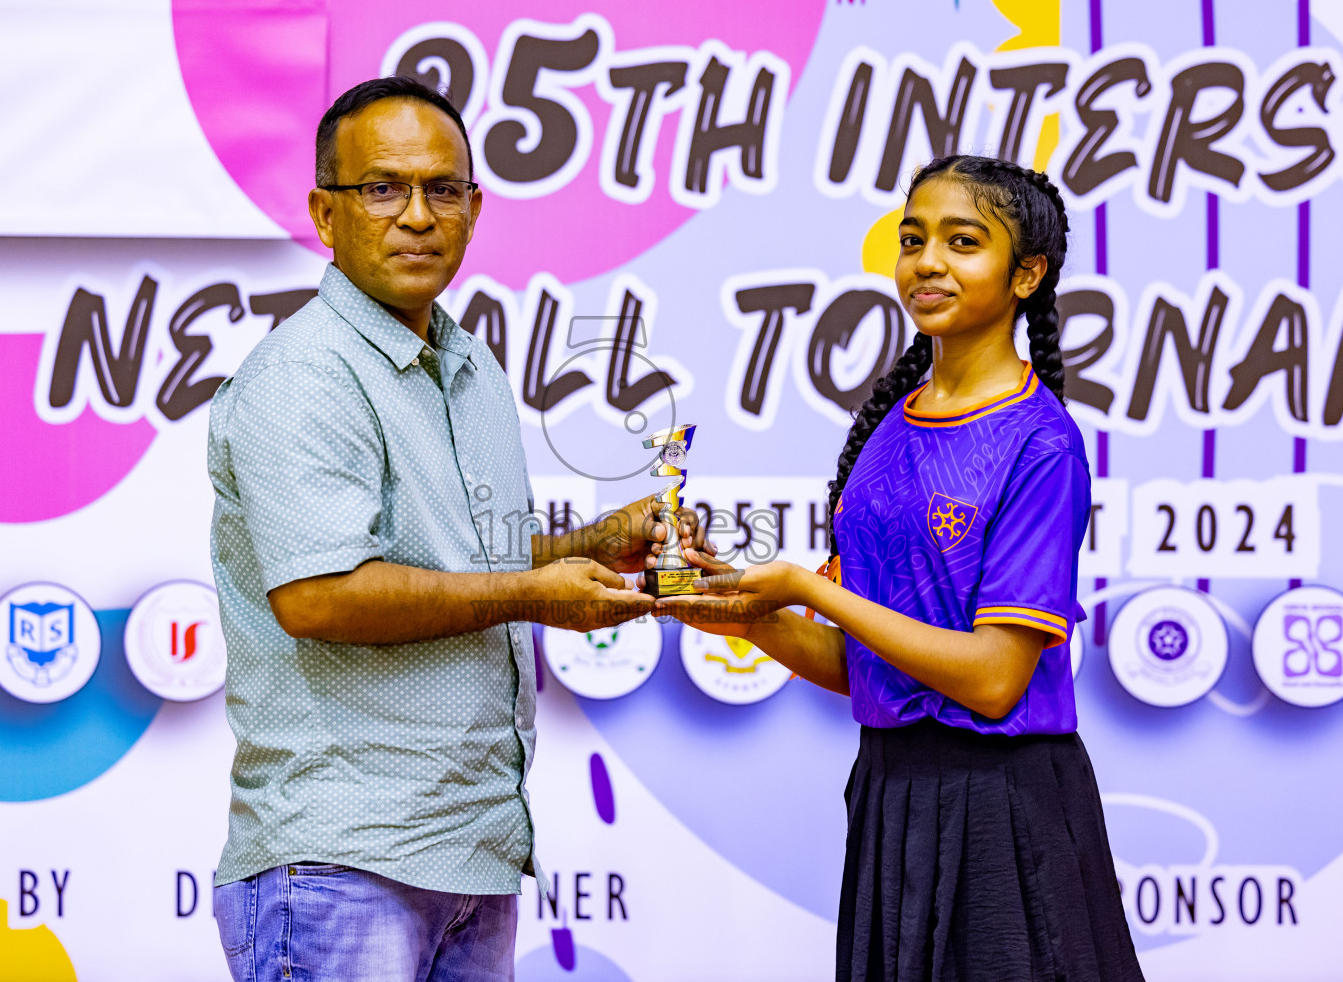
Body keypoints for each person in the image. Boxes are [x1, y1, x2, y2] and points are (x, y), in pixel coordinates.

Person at [206, 76, 690, 982]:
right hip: (344, 860)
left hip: (471, 852)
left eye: (444, 190)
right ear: (325, 212)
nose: (418, 216)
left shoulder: (467, 365)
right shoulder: (303, 375)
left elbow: (462, 565)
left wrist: (588, 548)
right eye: (383, 189)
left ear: (476, 207)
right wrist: (534, 595)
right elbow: (320, 596)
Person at [660, 155, 1145, 982]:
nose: (927, 262)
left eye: (963, 242)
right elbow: (865, 669)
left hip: (1005, 811)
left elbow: (994, 681)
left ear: (1027, 273)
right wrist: (745, 614)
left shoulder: (1041, 443)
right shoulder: (888, 428)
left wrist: (809, 590)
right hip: (890, 796)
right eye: (912, 238)